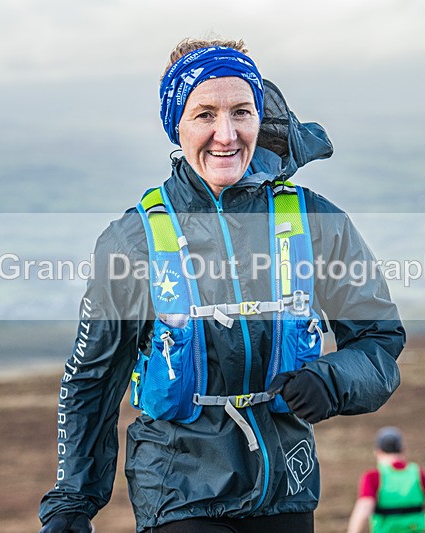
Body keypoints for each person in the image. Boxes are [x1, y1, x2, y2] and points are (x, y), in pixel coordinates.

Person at [38, 37, 405, 533]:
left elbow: (379, 339)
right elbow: (92, 379)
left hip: (285, 487)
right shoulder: (132, 241)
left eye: (241, 112)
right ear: (177, 125)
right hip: (176, 489)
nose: (226, 135)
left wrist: (330, 379)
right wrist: (71, 504)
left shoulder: (314, 220)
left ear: (259, 117)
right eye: (205, 114)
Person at [346, 427, 425, 533]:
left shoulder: (373, 477)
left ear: (377, 451)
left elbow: (364, 509)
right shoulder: (417, 473)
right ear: (402, 450)